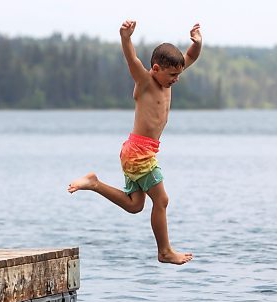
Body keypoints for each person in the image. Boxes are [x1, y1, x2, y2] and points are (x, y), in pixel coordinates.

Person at [68, 20, 202, 265]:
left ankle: (94, 183)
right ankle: (164, 251)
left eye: (178, 74)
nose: (176, 80)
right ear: (155, 68)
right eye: (172, 75)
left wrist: (197, 42)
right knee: (161, 201)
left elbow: (190, 56)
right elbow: (132, 61)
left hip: (138, 151)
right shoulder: (146, 82)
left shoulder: (168, 77)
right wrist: (125, 37)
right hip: (139, 152)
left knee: (134, 206)